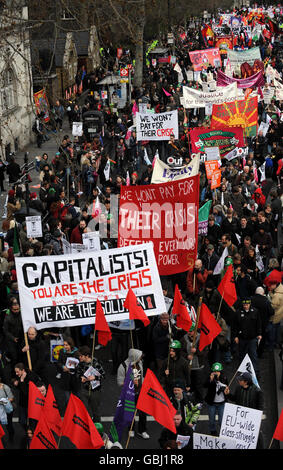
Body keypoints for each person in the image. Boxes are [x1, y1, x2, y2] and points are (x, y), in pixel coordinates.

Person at [117, 348, 149, 439]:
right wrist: (130, 381)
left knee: (143, 413)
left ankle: (142, 430)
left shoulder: (140, 363)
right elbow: (120, 382)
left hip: (140, 392)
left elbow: (141, 376)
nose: (141, 359)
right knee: (130, 412)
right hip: (129, 393)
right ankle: (131, 429)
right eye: (139, 357)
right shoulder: (122, 366)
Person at [231, 298, 262, 376]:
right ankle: (242, 372)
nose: (245, 306)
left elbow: (258, 324)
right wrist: (235, 336)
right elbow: (234, 326)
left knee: (253, 356)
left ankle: (255, 372)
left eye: (247, 305)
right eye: (244, 305)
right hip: (242, 338)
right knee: (242, 355)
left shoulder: (255, 311)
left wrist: (259, 334)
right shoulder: (238, 312)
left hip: (252, 338)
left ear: (250, 304)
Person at [76, 345, 105, 423]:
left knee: (96, 411)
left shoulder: (96, 363)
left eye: (81, 356)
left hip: (95, 391)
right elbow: (78, 373)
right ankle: (86, 425)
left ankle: (97, 427)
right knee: (84, 410)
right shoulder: (81, 364)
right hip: (84, 390)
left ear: (87, 356)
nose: (79, 358)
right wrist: (81, 377)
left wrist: (95, 377)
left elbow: (103, 375)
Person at [12, 363, 40, 429]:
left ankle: (31, 434)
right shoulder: (19, 375)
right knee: (22, 422)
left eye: (17, 372)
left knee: (32, 423)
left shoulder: (31, 377)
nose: (16, 373)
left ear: (23, 370)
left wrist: (21, 381)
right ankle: (26, 431)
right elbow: (14, 380)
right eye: (15, 372)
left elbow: (26, 392)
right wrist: (15, 382)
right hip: (22, 403)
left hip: (31, 403)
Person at [203, 362, 228, 436]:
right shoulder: (210, 377)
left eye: (217, 371)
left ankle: (222, 432)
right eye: (215, 371)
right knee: (211, 420)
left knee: (221, 421)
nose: (216, 373)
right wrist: (210, 380)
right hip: (212, 403)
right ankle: (212, 431)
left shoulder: (224, 377)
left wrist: (220, 379)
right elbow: (204, 385)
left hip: (221, 403)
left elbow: (226, 386)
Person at [0, 376, 15, 441]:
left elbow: (11, 398)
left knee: (9, 425)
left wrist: (1, 401)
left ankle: (11, 437)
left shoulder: (5, 387)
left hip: (6, 409)